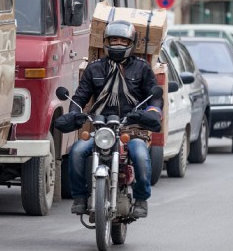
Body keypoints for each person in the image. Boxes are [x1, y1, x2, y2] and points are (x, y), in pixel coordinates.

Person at [55, 20, 163, 218]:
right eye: (113, 40)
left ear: (132, 43)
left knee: (140, 155)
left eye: (123, 41)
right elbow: (79, 98)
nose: (118, 44)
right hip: (100, 128)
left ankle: (141, 199)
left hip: (131, 128)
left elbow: (154, 98)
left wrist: (151, 114)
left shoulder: (142, 68)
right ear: (105, 42)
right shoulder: (94, 69)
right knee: (77, 151)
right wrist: (73, 113)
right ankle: (79, 197)